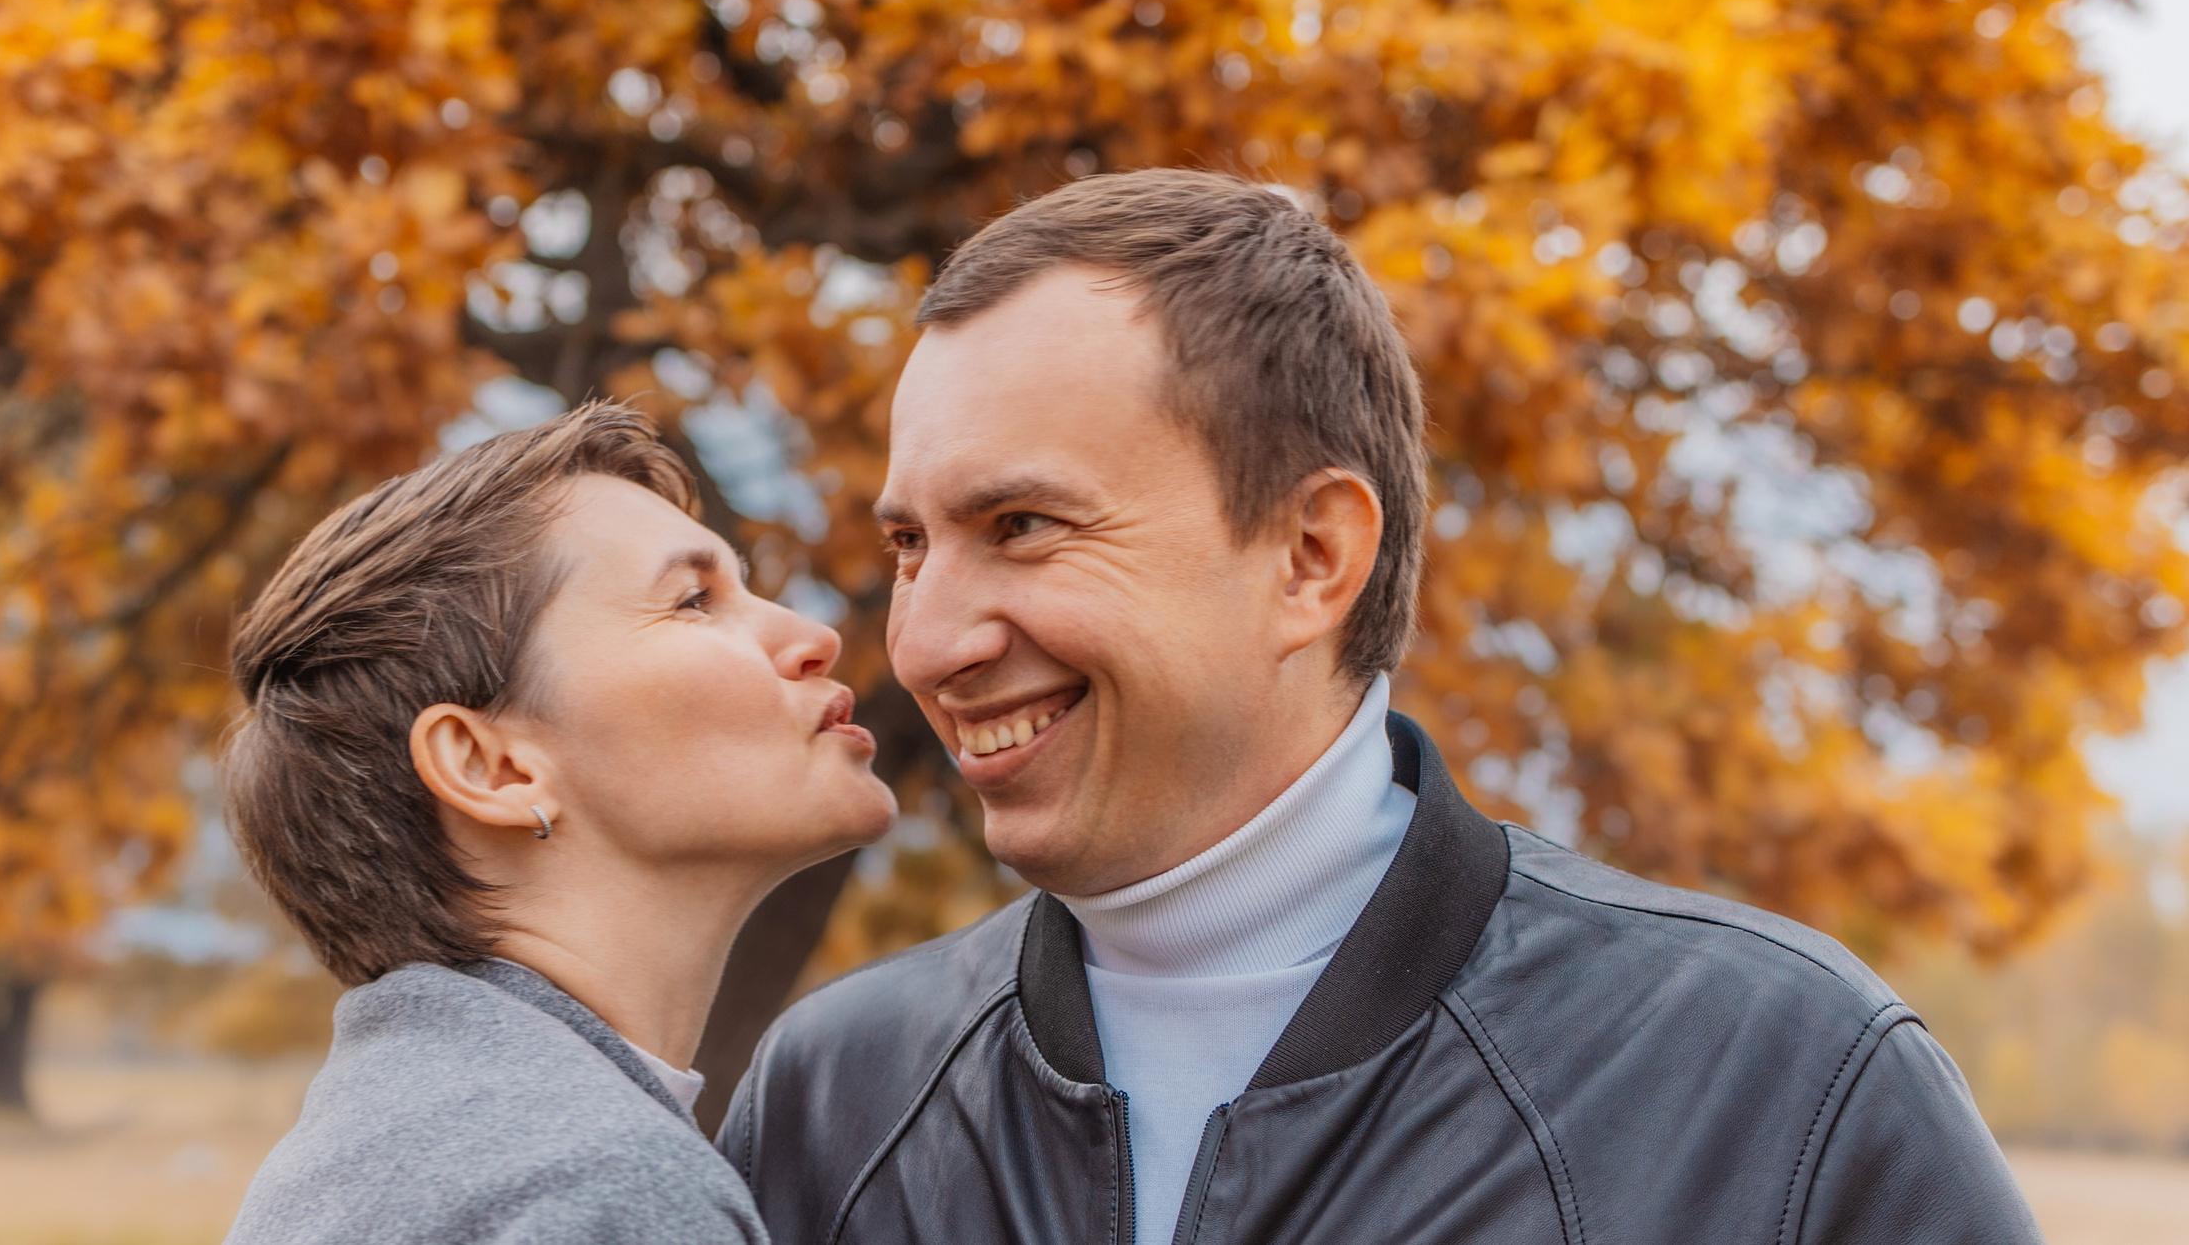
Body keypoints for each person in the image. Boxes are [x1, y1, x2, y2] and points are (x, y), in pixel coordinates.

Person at [722, 169, 2039, 1245]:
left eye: (1022, 524)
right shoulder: (835, 1100)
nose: (931, 639)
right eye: (909, 545)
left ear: (1312, 557)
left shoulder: (1777, 1085)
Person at [218, 403, 895, 1245]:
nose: (813, 636)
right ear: (492, 767)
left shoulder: (392, 1145)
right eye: (694, 600)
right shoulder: (600, 1188)